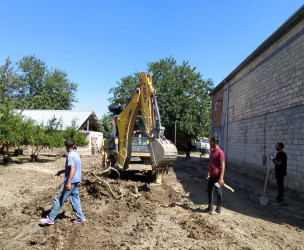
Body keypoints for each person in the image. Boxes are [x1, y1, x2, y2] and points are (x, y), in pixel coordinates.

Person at [40, 140, 86, 225]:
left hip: (71, 182)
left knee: (59, 198)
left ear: (66, 147)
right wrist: (60, 172)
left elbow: (72, 169)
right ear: (73, 146)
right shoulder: (76, 154)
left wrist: (68, 182)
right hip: (77, 181)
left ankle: (50, 218)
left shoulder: (70, 156)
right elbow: (70, 169)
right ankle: (81, 218)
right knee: (75, 199)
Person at [203, 136, 225, 215]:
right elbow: (211, 163)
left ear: (215, 142)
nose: (209, 143)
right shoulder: (212, 151)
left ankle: (218, 210)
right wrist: (208, 172)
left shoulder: (220, 152)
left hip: (217, 176)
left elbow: (222, 165)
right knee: (209, 190)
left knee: (218, 192)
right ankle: (210, 207)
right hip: (212, 176)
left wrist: (221, 178)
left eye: (211, 142)